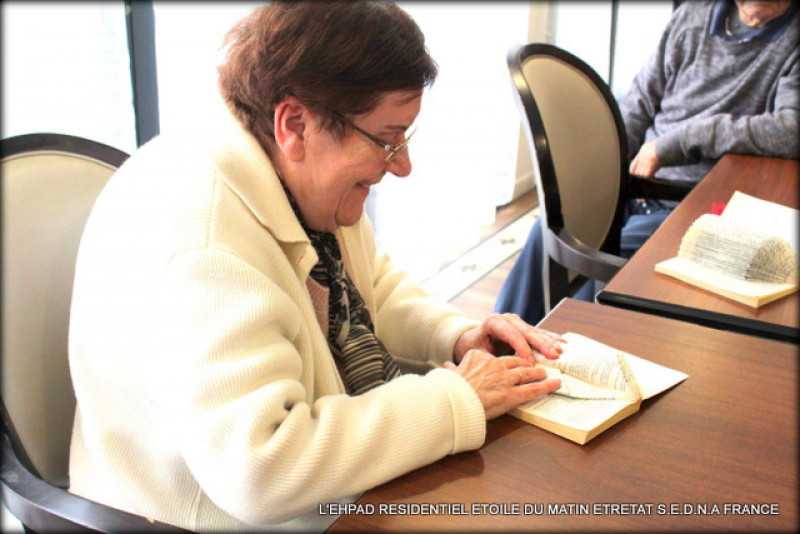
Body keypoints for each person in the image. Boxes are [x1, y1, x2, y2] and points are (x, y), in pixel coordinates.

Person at [67, 2, 564, 531]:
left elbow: (368, 286)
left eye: (405, 137)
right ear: (295, 124)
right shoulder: (207, 246)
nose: (402, 164)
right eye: (386, 138)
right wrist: (453, 401)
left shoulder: (290, 170)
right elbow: (262, 469)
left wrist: (458, 337)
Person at [495, 0, 799, 326]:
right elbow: (639, 101)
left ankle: (553, 356)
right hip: (636, 182)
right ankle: (490, 348)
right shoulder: (693, 15)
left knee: (601, 276)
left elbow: (790, 130)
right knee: (546, 237)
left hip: (695, 202)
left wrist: (679, 142)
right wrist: (607, 169)